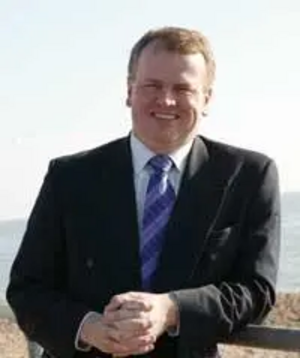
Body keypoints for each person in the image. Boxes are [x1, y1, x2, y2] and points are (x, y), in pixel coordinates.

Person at [6, 26, 280, 358]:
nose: (166, 99)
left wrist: (172, 309)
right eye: (152, 85)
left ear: (206, 98)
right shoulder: (69, 177)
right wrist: (89, 327)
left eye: (183, 88)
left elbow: (256, 291)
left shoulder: (249, 176)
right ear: (129, 90)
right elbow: (27, 288)